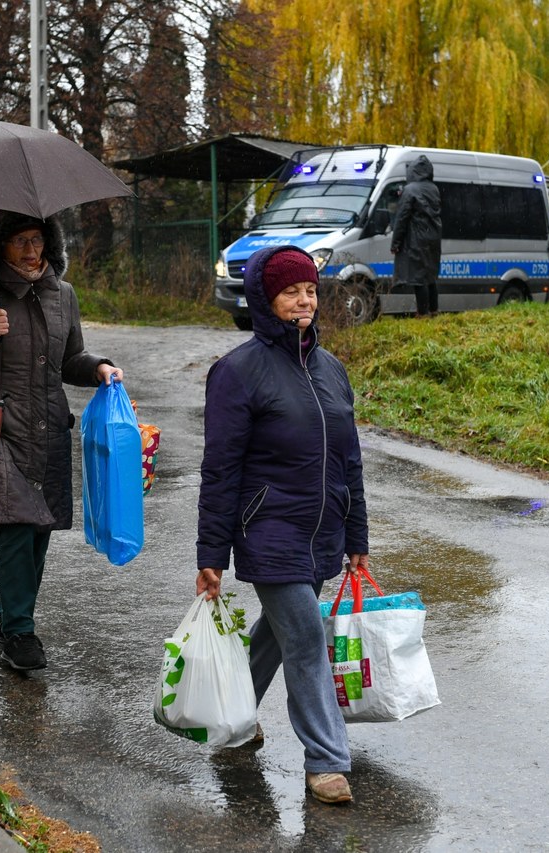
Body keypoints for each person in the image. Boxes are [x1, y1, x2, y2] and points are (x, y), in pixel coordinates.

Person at [196, 244, 370, 806]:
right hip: (267, 529)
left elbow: (350, 460)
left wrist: (357, 537)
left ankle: (231, 717)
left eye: (311, 290)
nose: (304, 300)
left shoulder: (331, 370)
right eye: (291, 291)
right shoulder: (237, 372)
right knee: (304, 636)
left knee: (276, 633)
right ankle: (326, 761)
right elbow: (220, 469)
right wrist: (211, 554)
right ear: (266, 300)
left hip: (320, 531)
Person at [0, 210, 123, 672]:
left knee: (39, 530)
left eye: (37, 240)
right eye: (19, 241)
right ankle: (19, 631)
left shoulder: (63, 294)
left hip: (49, 427)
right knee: (16, 526)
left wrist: (98, 366)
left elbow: (70, 358)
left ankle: (13, 620)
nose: (31, 250)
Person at [390, 154, 443, 318]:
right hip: (433, 238)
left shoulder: (410, 189)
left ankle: (422, 313)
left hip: (416, 239)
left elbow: (402, 217)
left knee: (418, 277)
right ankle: (434, 310)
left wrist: (395, 243)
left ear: (412, 172)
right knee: (431, 277)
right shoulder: (434, 189)